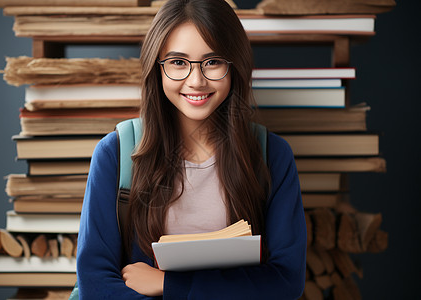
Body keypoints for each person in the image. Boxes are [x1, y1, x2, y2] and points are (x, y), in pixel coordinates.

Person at [76, 0, 307, 299]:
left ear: (234, 65)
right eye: (178, 62)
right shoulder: (115, 153)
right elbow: (96, 282)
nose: (196, 81)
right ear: (156, 68)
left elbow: (285, 280)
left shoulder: (272, 156)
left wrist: (169, 284)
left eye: (212, 62)